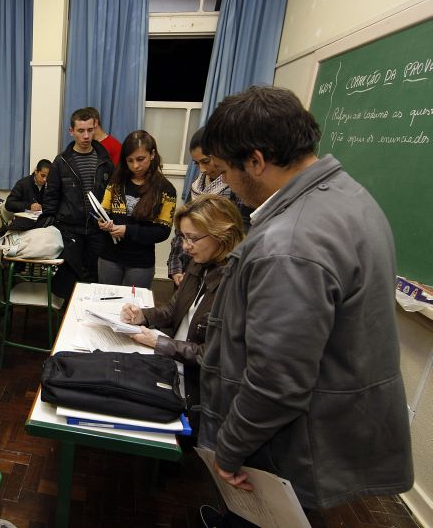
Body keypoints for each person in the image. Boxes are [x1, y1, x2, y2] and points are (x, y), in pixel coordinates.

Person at [196, 86, 413, 526]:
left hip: (288, 442)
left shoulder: (289, 243)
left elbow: (276, 381)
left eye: (226, 171)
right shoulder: (348, 195)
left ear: (256, 161)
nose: (227, 185)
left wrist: (230, 447)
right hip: (320, 427)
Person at [119, 194, 244, 430]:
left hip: (194, 387)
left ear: (223, 233)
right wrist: (143, 316)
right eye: (184, 238)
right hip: (171, 364)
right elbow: (173, 309)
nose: (186, 247)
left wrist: (161, 344)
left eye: (193, 238)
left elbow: (215, 356)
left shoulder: (236, 283)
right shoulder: (199, 263)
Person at [41, 108, 114, 298]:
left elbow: (113, 194)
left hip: (98, 231)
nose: (86, 136)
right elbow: (51, 196)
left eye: (90, 130)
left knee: (95, 279)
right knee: (70, 281)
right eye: (81, 131)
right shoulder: (61, 161)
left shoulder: (104, 159)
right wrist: (54, 225)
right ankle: (66, 321)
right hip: (70, 231)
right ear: (71, 131)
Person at [167, 128, 251, 286]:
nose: (202, 169)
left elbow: (239, 233)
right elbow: (182, 231)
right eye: (196, 163)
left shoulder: (236, 187)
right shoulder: (198, 184)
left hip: (218, 271)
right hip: (189, 265)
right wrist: (176, 266)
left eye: (205, 161)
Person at [96, 130, 177, 288]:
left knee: (133, 308)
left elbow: (162, 231)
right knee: (105, 304)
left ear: (152, 154)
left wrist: (127, 230)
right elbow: (103, 212)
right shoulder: (116, 182)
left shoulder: (166, 189)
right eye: (130, 160)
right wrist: (102, 222)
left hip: (140, 262)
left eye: (141, 159)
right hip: (109, 257)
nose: (136, 166)